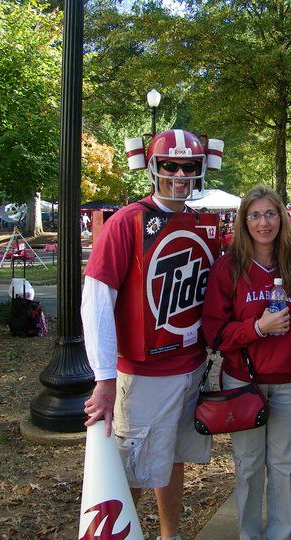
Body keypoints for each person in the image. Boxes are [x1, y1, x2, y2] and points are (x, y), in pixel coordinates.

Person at [82, 129, 219, 540]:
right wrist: (104, 379)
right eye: (170, 165)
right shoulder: (126, 222)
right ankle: (109, 535)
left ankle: (169, 534)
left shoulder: (200, 221)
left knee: (170, 459)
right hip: (144, 375)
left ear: (200, 169)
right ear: (153, 167)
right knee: (133, 470)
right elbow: (96, 301)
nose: (180, 174)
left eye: (189, 166)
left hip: (190, 366)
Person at [202, 185, 291, 540]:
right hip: (243, 382)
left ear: (282, 217)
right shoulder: (228, 268)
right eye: (255, 215)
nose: (264, 222)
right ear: (244, 221)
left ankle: (281, 533)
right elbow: (214, 334)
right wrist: (258, 328)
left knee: (284, 465)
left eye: (270, 214)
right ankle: (249, 534)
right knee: (248, 467)